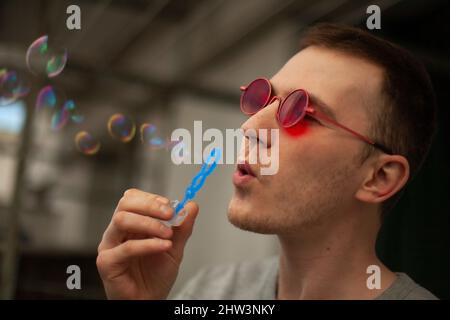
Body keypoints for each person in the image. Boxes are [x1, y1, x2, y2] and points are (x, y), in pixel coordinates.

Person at [96, 23, 438, 300]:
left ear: (379, 177)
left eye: (302, 113)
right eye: (264, 99)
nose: (250, 127)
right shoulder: (214, 291)